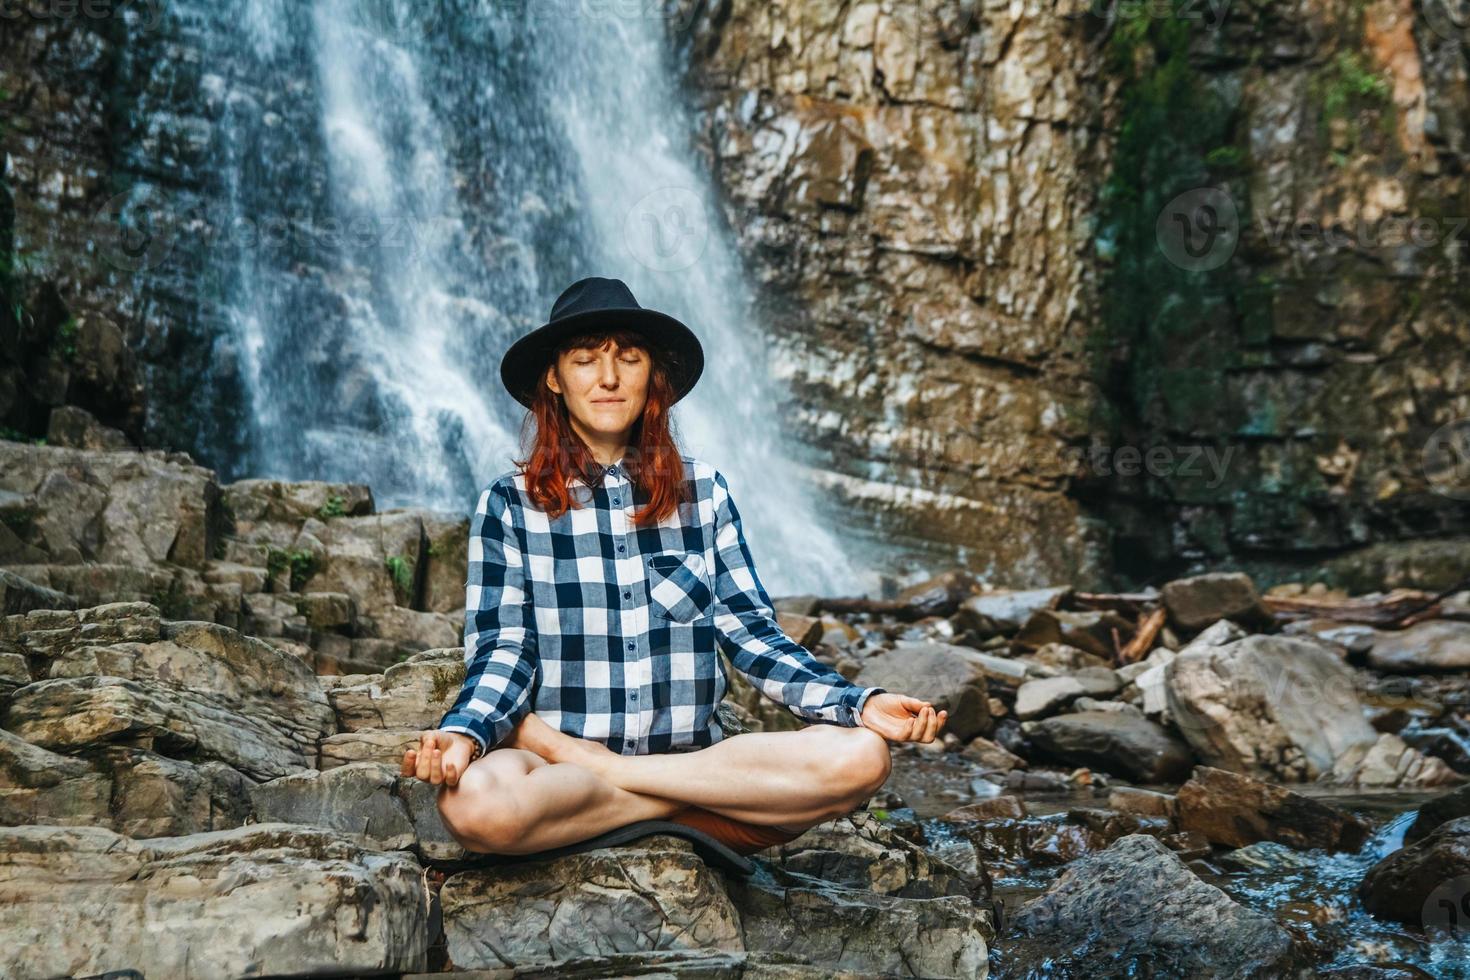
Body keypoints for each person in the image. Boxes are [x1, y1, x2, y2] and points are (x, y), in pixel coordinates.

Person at [401, 276, 949, 857]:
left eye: (628, 360)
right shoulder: (509, 505)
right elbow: (502, 649)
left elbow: (753, 635)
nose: (608, 378)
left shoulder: (704, 492)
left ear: (651, 379)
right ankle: (692, 813)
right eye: (585, 361)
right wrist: (466, 731)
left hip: (695, 760)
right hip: (566, 772)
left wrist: (858, 703)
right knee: (475, 802)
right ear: (555, 380)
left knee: (862, 754)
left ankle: (623, 788)